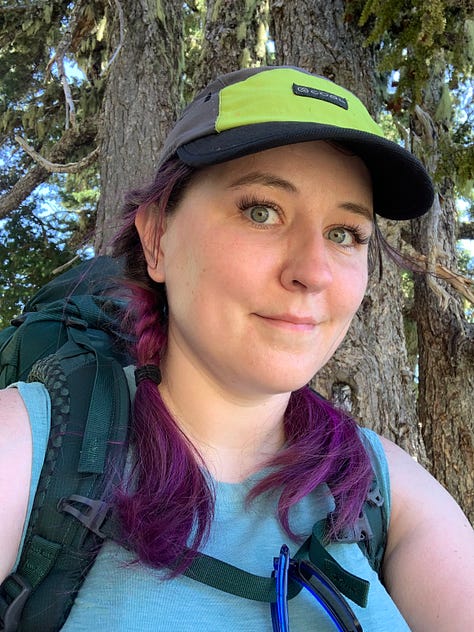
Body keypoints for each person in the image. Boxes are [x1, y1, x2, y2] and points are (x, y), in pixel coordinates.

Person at [1, 66, 473, 631]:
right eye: (261, 211)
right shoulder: (38, 444)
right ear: (156, 239)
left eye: (345, 233)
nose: (313, 272)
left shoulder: (381, 485)